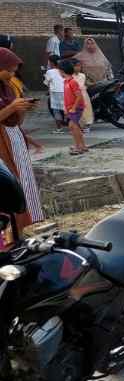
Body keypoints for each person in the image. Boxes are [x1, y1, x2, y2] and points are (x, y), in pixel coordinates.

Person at [0, 48, 45, 239]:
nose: (12, 74)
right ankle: (12, 232)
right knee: (10, 185)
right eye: (9, 70)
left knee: (25, 181)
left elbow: (16, 121)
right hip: (3, 145)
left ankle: (29, 224)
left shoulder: (7, 88)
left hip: (15, 139)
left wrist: (23, 108)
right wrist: (12, 107)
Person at [59, 59, 88, 155]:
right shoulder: (66, 82)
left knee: (73, 126)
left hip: (76, 107)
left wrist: (74, 108)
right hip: (71, 108)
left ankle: (78, 146)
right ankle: (82, 146)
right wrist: (66, 109)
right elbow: (66, 97)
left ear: (62, 71)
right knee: (74, 127)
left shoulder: (72, 82)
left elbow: (79, 96)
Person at [44, 54, 66, 133]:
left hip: (55, 93)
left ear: (51, 63)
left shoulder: (49, 72)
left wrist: (48, 91)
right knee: (67, 109)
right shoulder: (64, 70)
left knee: (56, 110)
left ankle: (59, 128)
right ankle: (73, 126)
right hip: (66, 91)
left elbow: (47, 83)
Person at [72, 61, 94, 132]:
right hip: (75, 96)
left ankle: (87, 126)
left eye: (79, 66)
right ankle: (79, 126)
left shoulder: (83, 75)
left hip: (84, 95)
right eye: (76, 66)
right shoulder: (70, 76)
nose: (78, 67)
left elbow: (86, 83)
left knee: (87, 111)